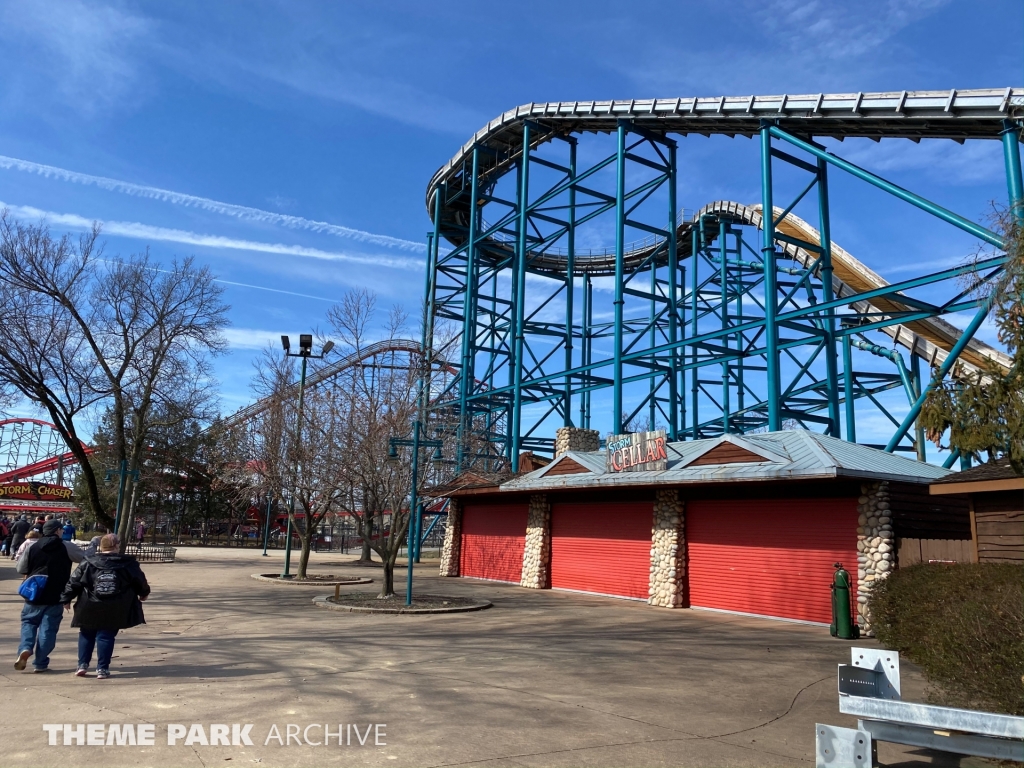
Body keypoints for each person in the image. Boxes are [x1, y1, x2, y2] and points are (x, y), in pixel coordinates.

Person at [60, 534, 150, 679]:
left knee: (86, 633)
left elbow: (74, 581)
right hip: (115, 605)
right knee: (106, 636)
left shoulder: (88, 562)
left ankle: (82, 664)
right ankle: (102, 668)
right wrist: (144, 593)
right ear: (116, 546)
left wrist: (66, 598)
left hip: (88, 603)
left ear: (101, 546)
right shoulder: (128, 564)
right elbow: (140, 581)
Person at [15, 519, 82, 672]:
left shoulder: (32, 546)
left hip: (34, 593)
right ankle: (40, 663)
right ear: (58, 531)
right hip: (56, 594)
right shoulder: (66, 546)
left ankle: (25, 648)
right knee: (48, 629)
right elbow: (83, 558)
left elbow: (20, 568)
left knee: (29, 623)